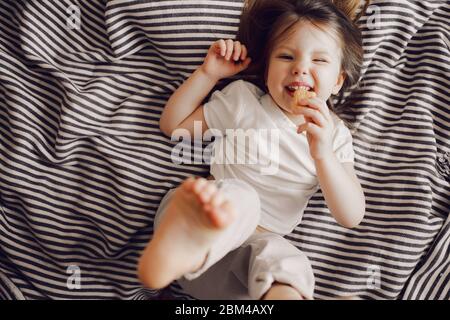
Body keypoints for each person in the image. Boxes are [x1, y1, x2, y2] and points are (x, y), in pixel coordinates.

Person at [138, 0, 367, 300]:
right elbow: (174, 126)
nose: (300, 68)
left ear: (337, 81)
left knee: (290, 261)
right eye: (286, 56)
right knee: (244, 200)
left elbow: (351, 215)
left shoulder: (334, 136)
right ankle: (179, 247)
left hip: (239, 276)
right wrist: (209, 74)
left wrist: (323, 155)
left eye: (319, 61)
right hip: (202, 222)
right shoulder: (243, 101)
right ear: (268, 68)